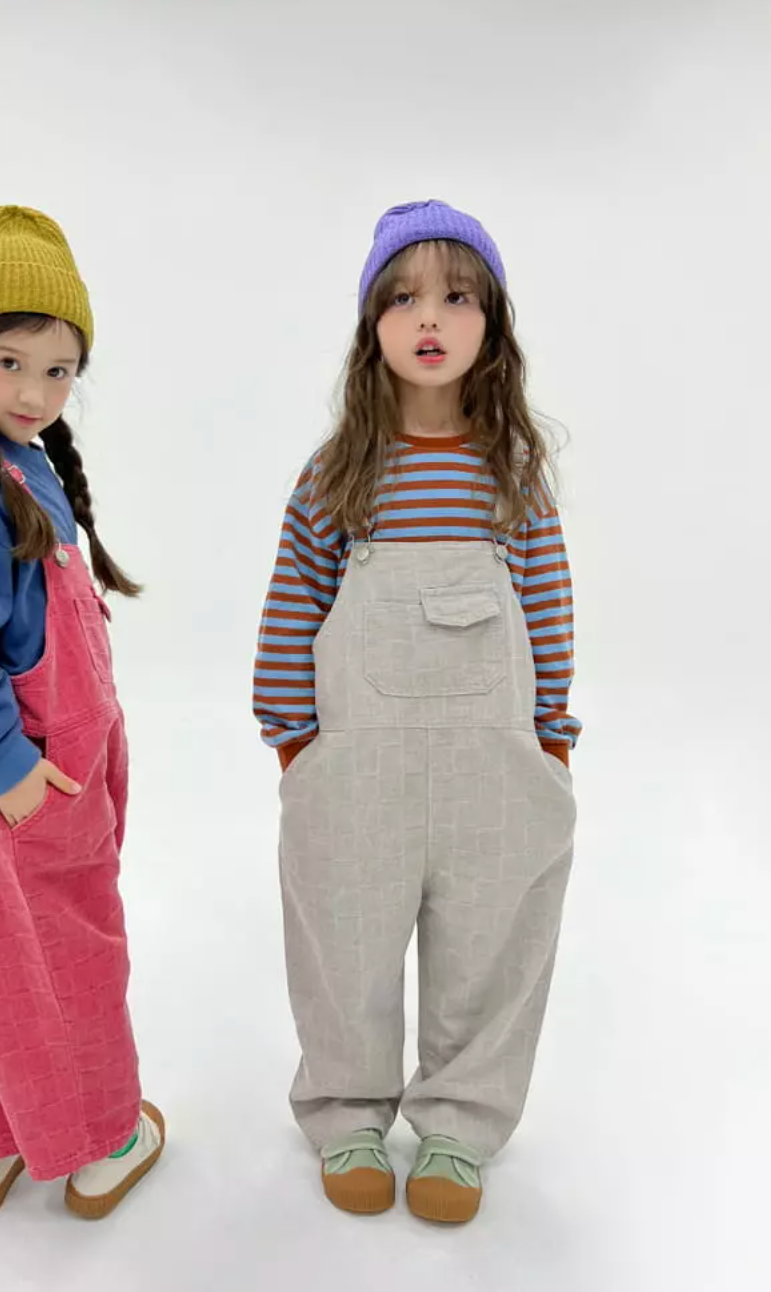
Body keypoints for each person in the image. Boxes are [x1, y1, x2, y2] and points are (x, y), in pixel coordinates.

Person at [253, 200, 579, 1223]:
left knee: (490, 937)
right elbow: (292, 605)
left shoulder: (511, 472)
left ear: (493, 324)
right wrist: (293, 741)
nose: (428, 317)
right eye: (402, 297)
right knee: (343, 933)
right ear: (372, 327)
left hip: (494, 758)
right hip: (355, 762)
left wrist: (552, 735)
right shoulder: (338, 472)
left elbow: (548, 605)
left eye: (456, 295)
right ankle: (348, 1108)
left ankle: (460, 1121)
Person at [0, 205, 164, 1220]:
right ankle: (105, 1139)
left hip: (47, 765)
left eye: (59, 371)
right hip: (20, 773)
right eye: (10, 363)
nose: (35, 393)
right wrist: (8, 766)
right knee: (75, 951)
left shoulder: (20, 459)